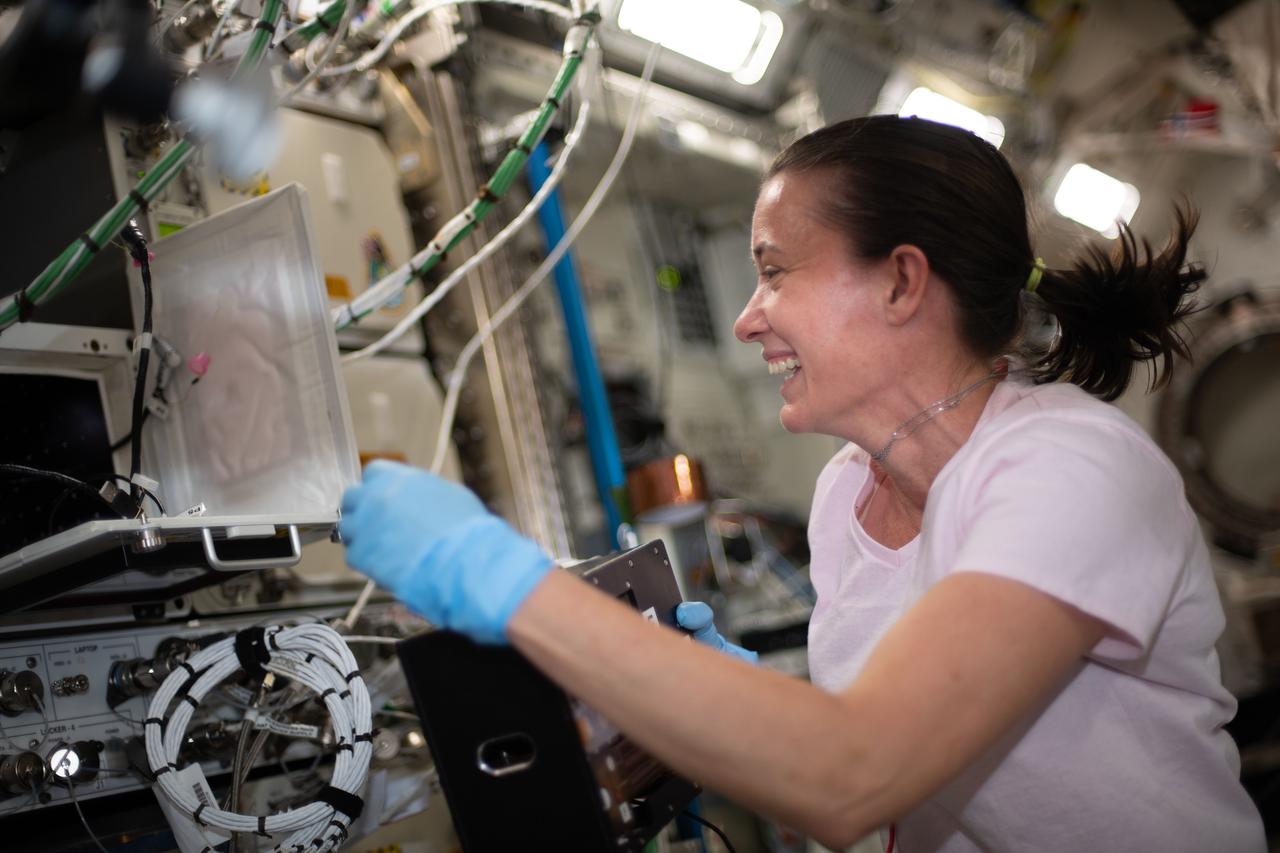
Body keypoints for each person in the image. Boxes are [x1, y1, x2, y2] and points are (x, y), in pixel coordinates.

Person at [339, 116, 1265, 852]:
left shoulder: (1069, 467)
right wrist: (721, 698)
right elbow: (882, 742)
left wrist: (506, 583)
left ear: (904, 281)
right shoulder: (843, 496)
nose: (748, 319)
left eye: (774, 272)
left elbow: (852, 774)